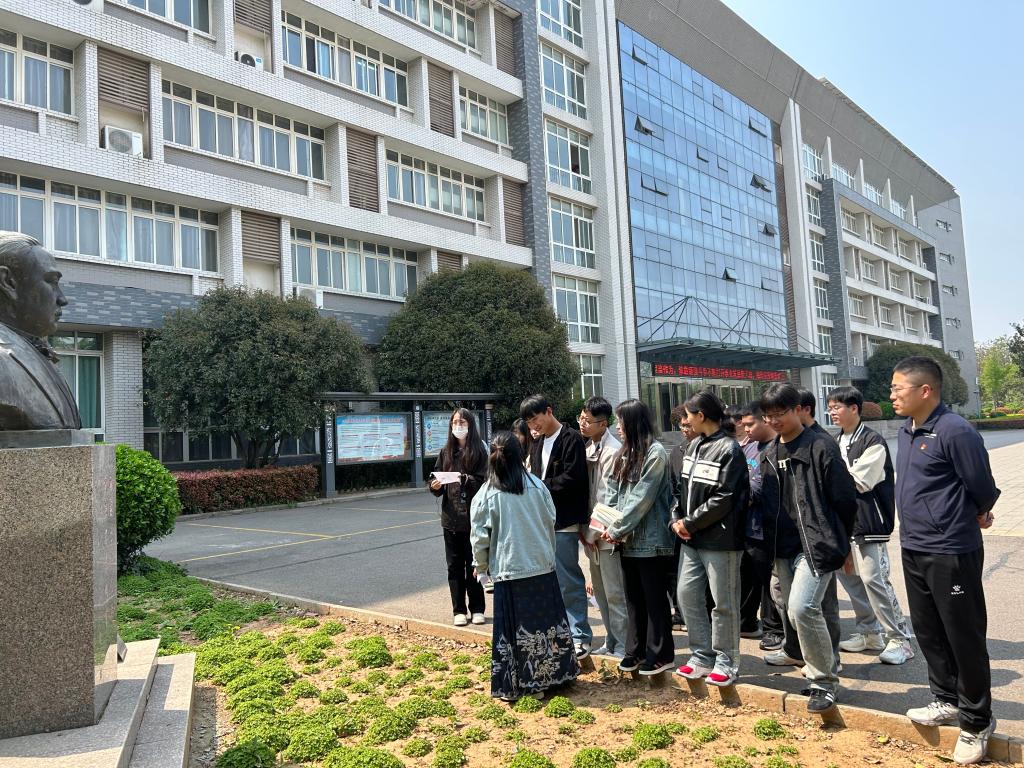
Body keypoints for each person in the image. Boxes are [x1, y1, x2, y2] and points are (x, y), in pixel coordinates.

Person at [891, 356, 1000, 764]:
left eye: (897, 388)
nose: (891, 395)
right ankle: (945, 698)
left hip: (951, 548)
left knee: (963, 634)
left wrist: (979, 511)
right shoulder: (907, 429)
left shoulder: (955, 430)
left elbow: (982, 485)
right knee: (928, 629)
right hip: (914, 545)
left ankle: (976, 721)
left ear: (925, 391)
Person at [759, 382, 857, 712]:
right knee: (793, 610)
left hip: (816, 544)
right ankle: (816, 668)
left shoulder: (820, 446)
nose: (774, 420)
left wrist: (844, 543)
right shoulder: (769, 452)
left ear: (799, 410)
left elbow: (845, 499)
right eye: (768, 415)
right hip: (782, 546)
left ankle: (824, 682)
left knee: (803, 608)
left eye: (781, 413)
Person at [470, 431, 580, 702]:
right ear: (520, 456)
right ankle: (555, 677)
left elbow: (479, 537)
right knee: (546, 627)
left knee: (516, 632)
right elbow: (551, 519)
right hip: (542, 566)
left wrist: (481, 567)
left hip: (509, 570)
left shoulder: (487, 494)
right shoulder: (537, 485)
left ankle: (520, 684)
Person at [826, 386, 914, 665]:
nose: (832, 412)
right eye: (830, 407)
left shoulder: (872, 441)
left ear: (854, 408)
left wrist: (826, 481)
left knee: (874, 579)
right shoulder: (836, 440)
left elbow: (860, 482)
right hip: (843, 522)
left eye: (837, 407)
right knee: (849, 578)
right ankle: (869, 632)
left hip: (868, 522)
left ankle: (900, 638)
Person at [671, 390, 749, 686]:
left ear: (701, 416)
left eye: (688, 416)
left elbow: (725, 497)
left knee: (723, 603)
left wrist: (690, 523)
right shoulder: (694, 446)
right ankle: (701, 656)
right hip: (691, 538)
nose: (685, 421)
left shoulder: (729, 449)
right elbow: (681, 489)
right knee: (687, 595)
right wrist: (677, 519)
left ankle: (726, 661)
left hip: (720, 540)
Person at [603, 398, 677, 676]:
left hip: (651, 541)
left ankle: (661, 654)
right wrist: (608, 522)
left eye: (620, 421)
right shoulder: (625, 453)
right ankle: (635, 650)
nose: (617, 427)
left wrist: (617, 528)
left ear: (633, 423)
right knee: (633, 599)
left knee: (654, 599)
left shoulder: (656, 454)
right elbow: (612, 491)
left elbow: (641, 499)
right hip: (626, 539)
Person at [521, 394, 593, 659]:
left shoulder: (571, 438)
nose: (533, 426)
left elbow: (573, 479)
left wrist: (539, 486)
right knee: (547, 580)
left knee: (568, 579)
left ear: (549, 411)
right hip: (541, 522)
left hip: (563, 520)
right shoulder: (537, 442)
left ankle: (580, 636)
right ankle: (558, 634)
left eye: (536, 419)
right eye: (529, 422)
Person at [0, 233, 80, 430]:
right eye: (51, 281)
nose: (62, 299)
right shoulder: (4, 360)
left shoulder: (37, 352)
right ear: (8, 282)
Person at [578, 396, 628, 659]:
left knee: (615, 592)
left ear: (603, 424)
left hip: (606, 534)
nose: (582, 424)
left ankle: (622, 645)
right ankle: (610, 641)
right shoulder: (590, 447)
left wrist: (592, 533)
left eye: (588, 421)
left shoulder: (612, 451)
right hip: (591, 534)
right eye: (581, 418)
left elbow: (608, 498)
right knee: (600, 592)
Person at [429, 409, 488, 626]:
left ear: (470, 424)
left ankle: (478, 608)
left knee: (475, 564)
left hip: (474, 518)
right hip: (451, 519)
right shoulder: (445, 452)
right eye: (454, 422)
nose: (458, 426)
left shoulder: (480, 451)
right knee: (454, 566)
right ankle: (459, 610)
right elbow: (435, 479)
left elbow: (485, 481)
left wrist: (466, 479)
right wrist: (435, 486)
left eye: (462, 422)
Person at [737, 402, 784, 652]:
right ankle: (747, 621)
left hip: (769, 526)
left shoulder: (777, 448)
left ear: (765, 420)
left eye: (750, 424)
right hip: (749, 526)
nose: (746, 430)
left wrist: (744, 495)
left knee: (770, 582)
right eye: (743, 425)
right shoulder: (749, 448)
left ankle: (773, 629)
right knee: (749, 578)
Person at [667, 404, 693, 628]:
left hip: (701, 521)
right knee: (676, 569)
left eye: (687, 424)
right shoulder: (677, 452)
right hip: (679, 522)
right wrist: (675, 518)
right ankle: (679, 612)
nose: (684, 429)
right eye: (681, 425)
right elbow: (672, 488)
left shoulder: (713, 448)